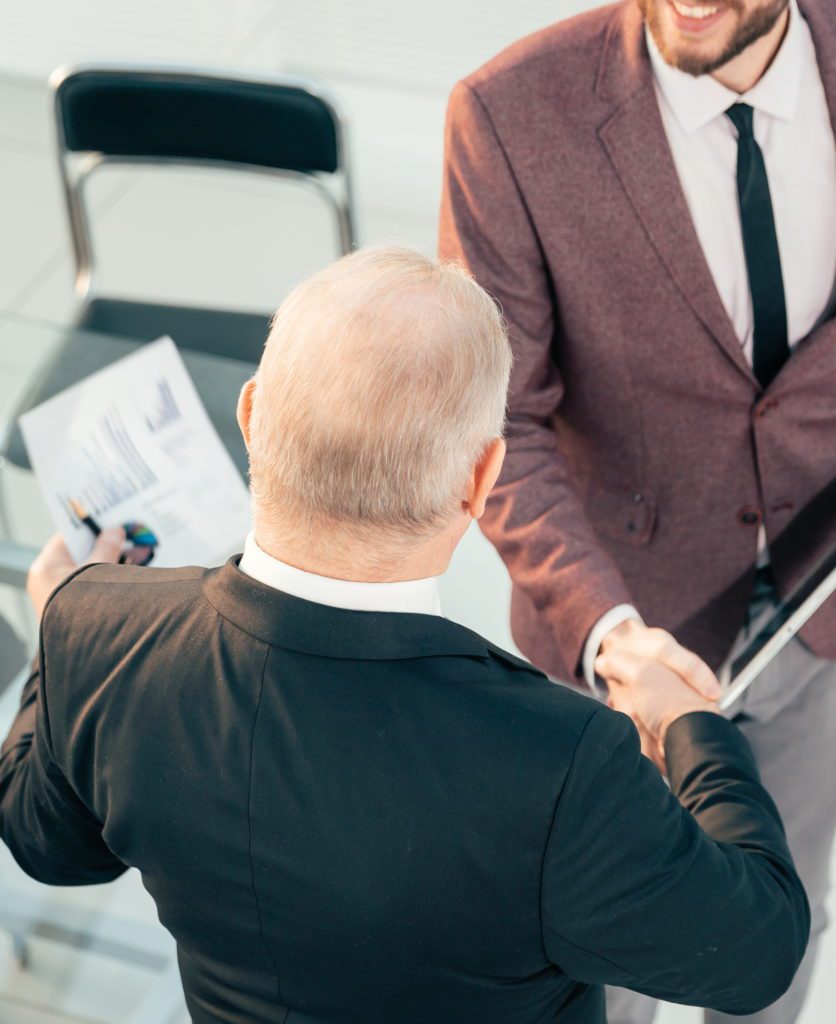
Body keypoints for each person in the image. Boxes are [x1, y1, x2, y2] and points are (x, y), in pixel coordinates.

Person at [1, 248, 809, 1023]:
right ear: (482, 480)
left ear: (252, 417)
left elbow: (52, 847)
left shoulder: (94, 625)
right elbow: (758, 951)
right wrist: (689, 726)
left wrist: (59, 638)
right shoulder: (561, 763)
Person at [439, 0, 835, 1020]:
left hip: (820, 629)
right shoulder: (505, 116)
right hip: (615, 643)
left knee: (774, 938)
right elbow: (496, 425)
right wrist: (614, 639)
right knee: (602, 959)